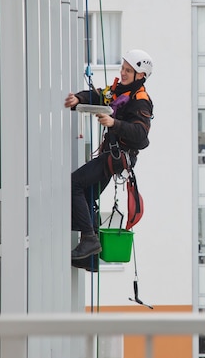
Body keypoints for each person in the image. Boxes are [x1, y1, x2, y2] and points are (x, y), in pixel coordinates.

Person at [64, 49, 154, 270]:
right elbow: (100, 95)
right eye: (123, 68)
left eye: (128, 70)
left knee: (74, 184)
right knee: (87, 194)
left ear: (140, 75)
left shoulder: (140, 101)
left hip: (117, 158)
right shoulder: (120, 91)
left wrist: (115, 124)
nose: (123, 73)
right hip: (111, 156)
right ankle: (90, 256)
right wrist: (79, 98)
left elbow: (141, 136)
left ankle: (89, 240)